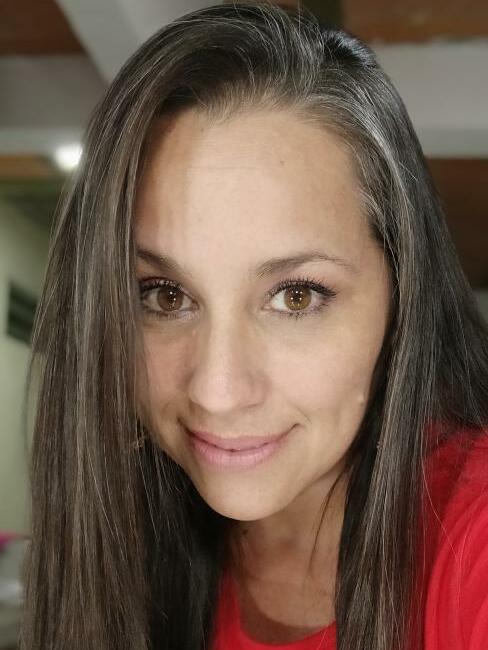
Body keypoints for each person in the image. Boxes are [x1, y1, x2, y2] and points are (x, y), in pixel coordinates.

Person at [20, 3, 488, 650]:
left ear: (402, 294)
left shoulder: (472, 541)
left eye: (296, 296)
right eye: (164, 295)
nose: (217, 391)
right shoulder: (120, 537)